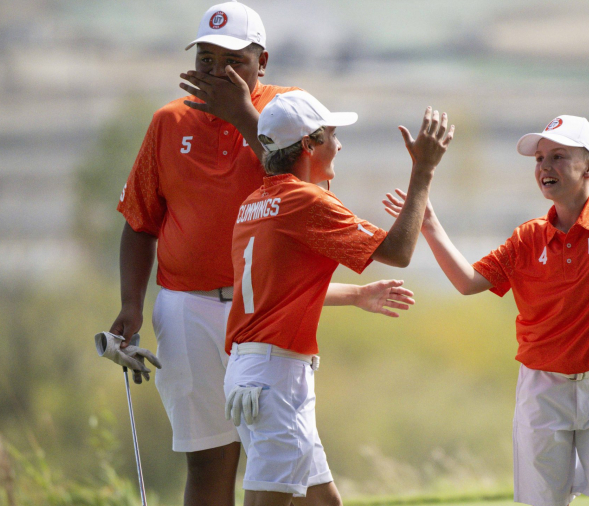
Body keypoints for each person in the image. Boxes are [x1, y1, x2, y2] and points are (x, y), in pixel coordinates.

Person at [102, 3, 415, 506]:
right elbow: (140, 223)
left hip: (264, 314)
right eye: (205, 57)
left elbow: (292, 176)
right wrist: (132, 304)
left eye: (232, 61)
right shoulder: (167, 122)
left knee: (290, 461)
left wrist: (242, 116)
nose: (215, 71)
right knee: (209, 458)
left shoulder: (288, 109)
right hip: (186, 306)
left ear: (261, 61)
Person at [383, 116, 589, 506]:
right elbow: (467, 282)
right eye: (540, 158)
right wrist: (428, 225)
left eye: (558, 156)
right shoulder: (527, 239)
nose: (545, 167)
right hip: (543, 392)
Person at [222, 90, 454, 505]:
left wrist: (358, 294)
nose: (339, 143)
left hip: (253, 369)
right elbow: (399, 252)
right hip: (276, 379)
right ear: (308, 145)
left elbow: (280, 293)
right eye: (330, 134)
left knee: (324, 502)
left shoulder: (254, 204)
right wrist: (423, 172)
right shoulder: (305, 201)